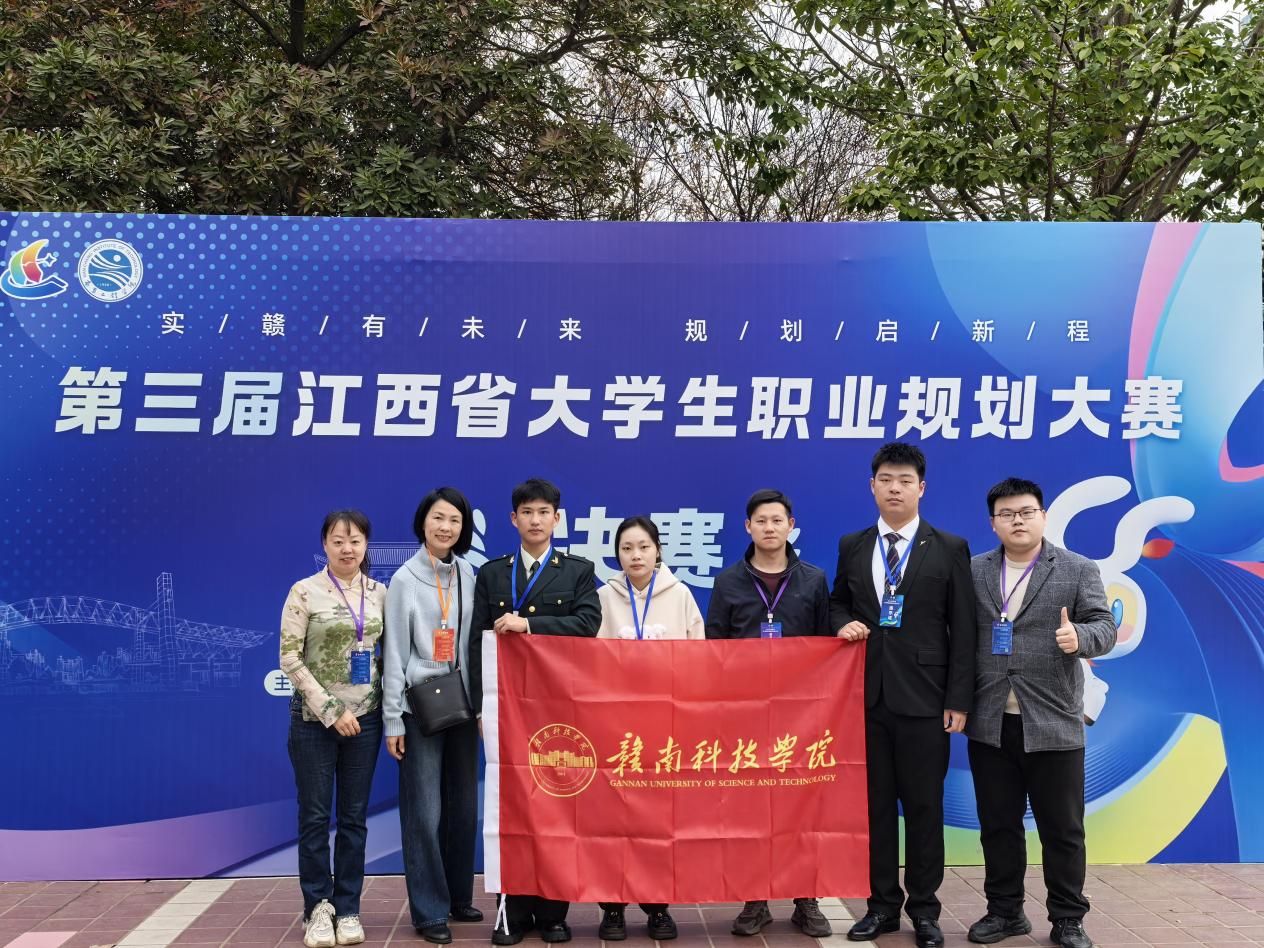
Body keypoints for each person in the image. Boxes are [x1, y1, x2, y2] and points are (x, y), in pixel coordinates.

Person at [829, 443, 975, 948]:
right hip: (867, 701)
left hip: (927, 702)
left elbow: (964, 628)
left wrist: (958, 699)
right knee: (874, 811)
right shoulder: (852, 544)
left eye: (905, 480)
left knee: (924, 809)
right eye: (886, 479)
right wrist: (841, 622)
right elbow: (838, 602)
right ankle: (881, 907)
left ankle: (926, 911)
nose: (895, 488)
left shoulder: (949, 547)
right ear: (872, 486)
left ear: (921, 488)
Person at [964, 478, 1116, 948]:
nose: (1018, 520)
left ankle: (1068, 918)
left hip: (1053, 719)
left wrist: (1080, 638)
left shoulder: (1077, 568)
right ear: (993, 522)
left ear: (1043, 516)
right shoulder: (973, 571)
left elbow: (1105, 627)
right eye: (1007, 513)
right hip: (991, 721)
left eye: (1026, 512)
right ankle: (1004, 912)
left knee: (1063, 830)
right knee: (998, 827)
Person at [469, 478, 602, 946]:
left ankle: (552, 913)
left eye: (544, 512)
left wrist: (529, 624)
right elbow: (475, 644)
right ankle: (511, 910)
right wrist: (480, 707)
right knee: (510, 805)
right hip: (505, 707)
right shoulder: (493, 573)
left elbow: (588, 624)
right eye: (526, 512)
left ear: (557, 518)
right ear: (513, 519)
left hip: (558, 706)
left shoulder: (578, 571)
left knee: (557, 805)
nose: (535, 520)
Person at [705, 489, 833, 940]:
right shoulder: (728, 582)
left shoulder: (813, 580)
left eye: (777, 520)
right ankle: (755, 899)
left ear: (790, 525)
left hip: (802, 717)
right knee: (750, 809)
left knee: (803, 806)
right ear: (748, 527)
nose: (769, 528)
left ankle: (805, 898)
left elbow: (826, 646)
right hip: (745, 716)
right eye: (761, 521)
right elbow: (714, 650)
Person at [595, 515, 705, 942]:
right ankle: (613, 907)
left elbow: (699, 659)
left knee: (659, 820)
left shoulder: (680, 596)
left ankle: (658, 906)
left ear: (658, 550)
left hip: (666, 728)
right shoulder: (603, 597)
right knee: (612, 818)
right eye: (626, 548)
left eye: (643, 547)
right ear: (617, 554)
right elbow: (587, 661)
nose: (635, 556)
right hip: (614, 727)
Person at [281, 510, 387, 948]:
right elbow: (289, 656)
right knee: (315, 817)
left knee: (354, 819)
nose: (347, 549)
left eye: (355, 540)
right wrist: (330, 709)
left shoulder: (380, 593)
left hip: (366, 720)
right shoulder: (304, 591)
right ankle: (317, 909)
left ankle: (348, 908)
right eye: (338, 540)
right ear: (324, 544)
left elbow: (386, 655)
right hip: (314, 723)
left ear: (366, 545)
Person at [383, 488, 482, 945]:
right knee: (424, 811)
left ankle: (458, 896)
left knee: (463, 807)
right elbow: (394, 654)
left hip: (461, 704)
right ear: (423, 522)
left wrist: (480, 705)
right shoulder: (404, 579)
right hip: (418, 706)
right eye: (438, 518)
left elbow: (473, 645)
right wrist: (393, 719)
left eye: (455, 520)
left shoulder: (468, 574)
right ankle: (428, 911)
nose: (446, 527)